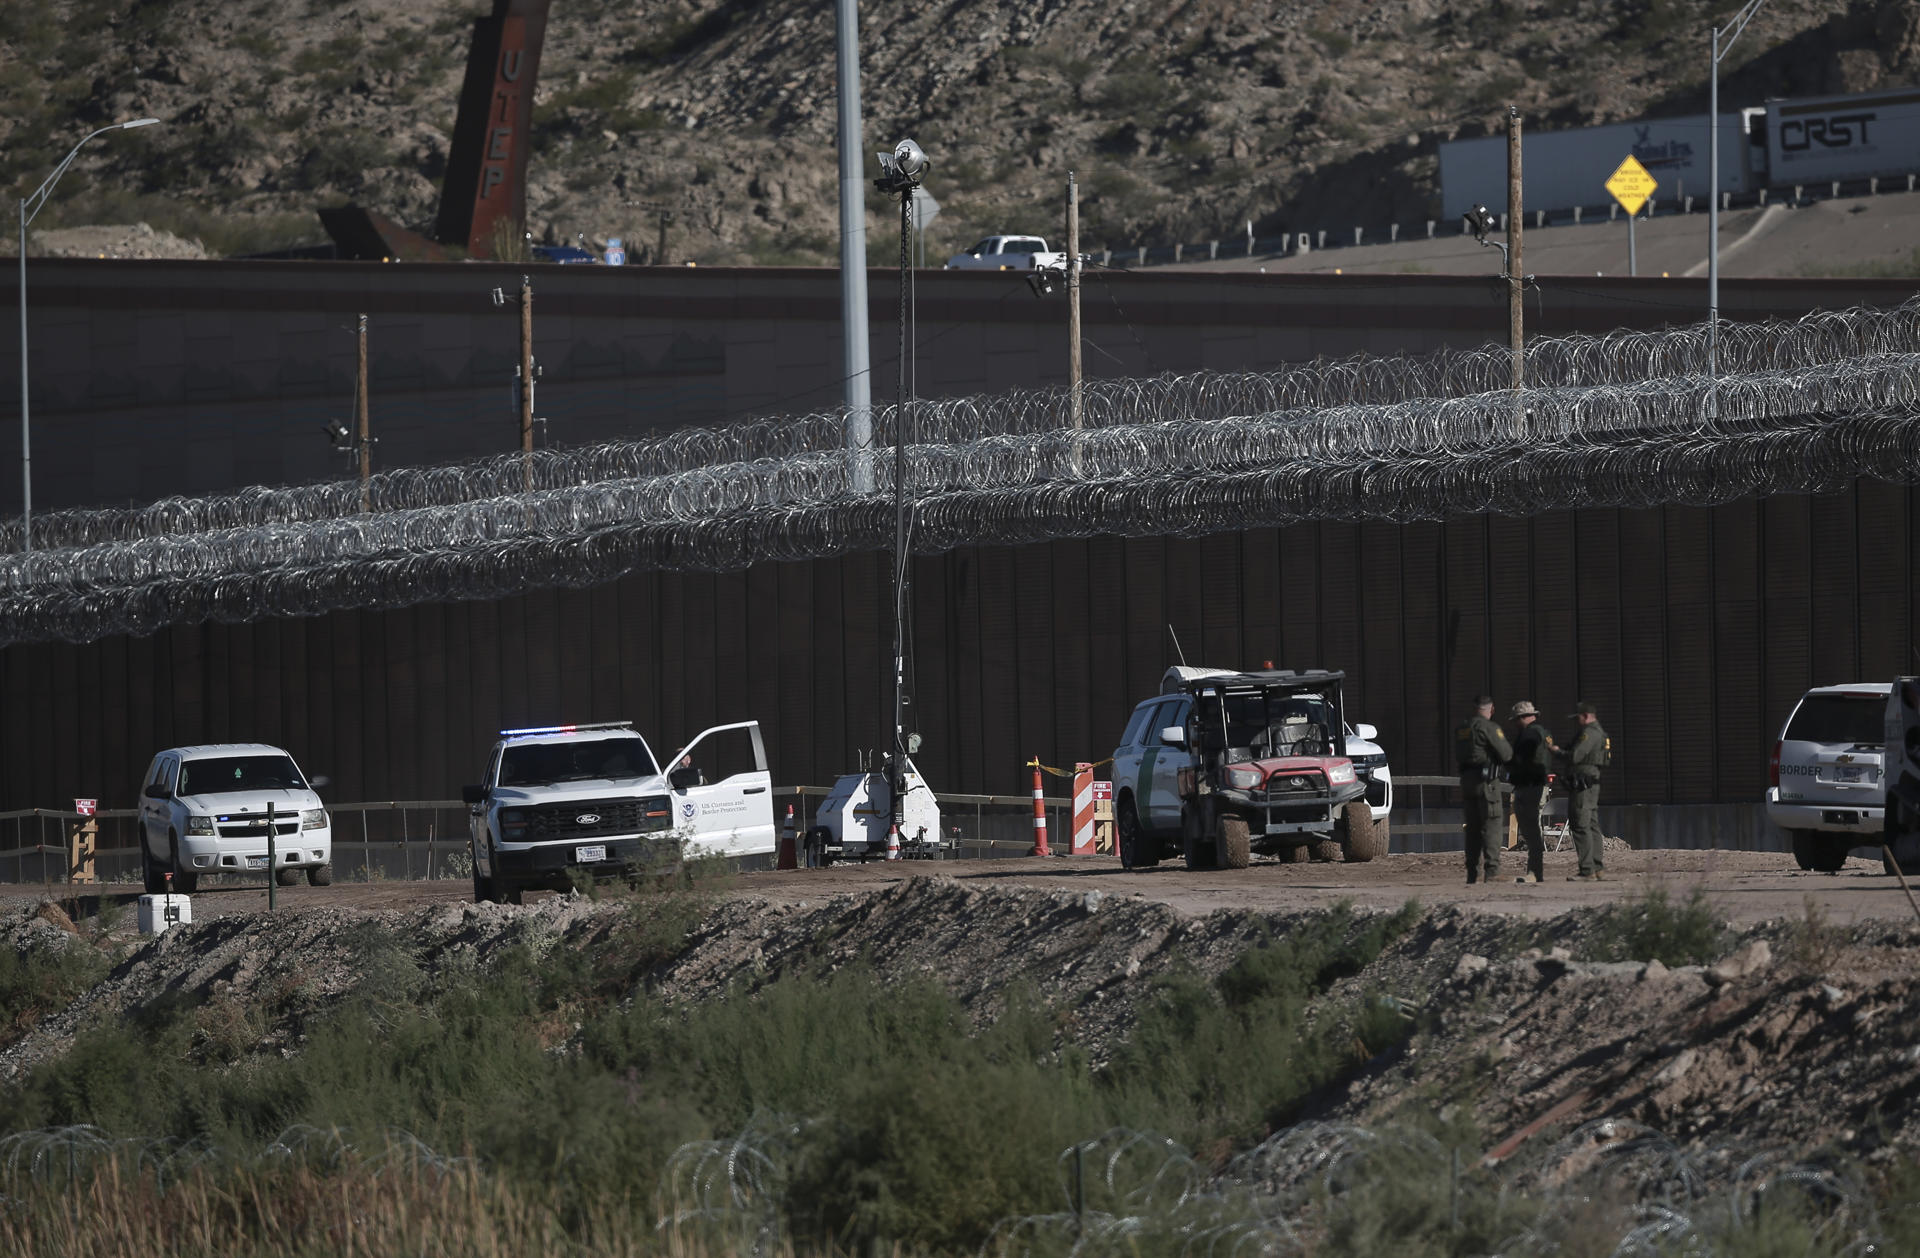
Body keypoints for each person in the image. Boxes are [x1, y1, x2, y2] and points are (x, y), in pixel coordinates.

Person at [1455, 695, 1512, 884]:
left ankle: (1472, 872)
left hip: (1467, 782)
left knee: (1472, 829)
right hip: (1487, 783)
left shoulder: (1462, 728)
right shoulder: (1488, 727)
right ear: (1492, 709)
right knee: (1492, 825)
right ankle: (1493, 871)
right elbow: (1506, 753)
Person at [1508, 701, 1556, 884]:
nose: (1514, 724)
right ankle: (1535, 871)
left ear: (1523, 718)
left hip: (1530, 786)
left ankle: (1535, 872)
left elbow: (1528, 754)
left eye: (1516, 720)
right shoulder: (1542, 732)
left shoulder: (1531, 734)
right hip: (1532, 784)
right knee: (1530, 829)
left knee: (1531, 829)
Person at [1562, 701, 1610, 880]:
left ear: (1586, 716)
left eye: (1579, 718)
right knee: (1591, 824)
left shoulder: (1589, 733)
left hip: (1583, 786)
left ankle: (1587, 870)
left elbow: (1576, 755)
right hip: (1590, 785)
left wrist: (1559, 752)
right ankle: (1597, 868)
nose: (1577, 722)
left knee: (1580, 824)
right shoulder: (1598, 732)